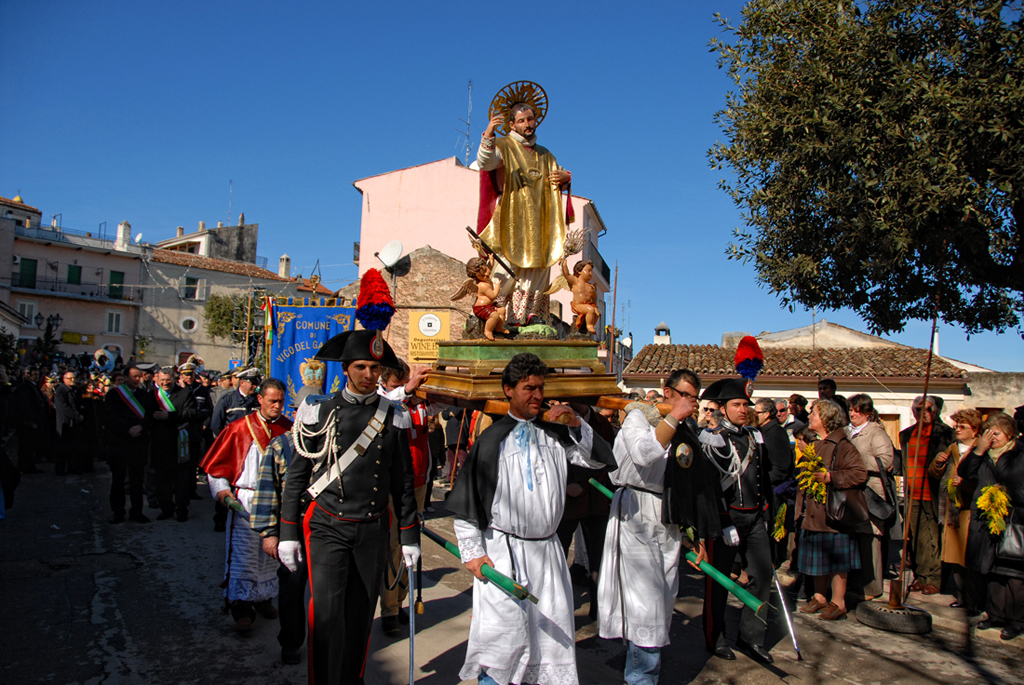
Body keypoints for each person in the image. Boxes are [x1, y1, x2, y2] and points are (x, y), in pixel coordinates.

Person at [446, 353, 615, 685]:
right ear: (509, 390)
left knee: (548, 644)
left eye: (540, 388)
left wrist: (576, 425)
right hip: (503, 555)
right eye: (528, 388)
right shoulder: (492, 439)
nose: (537, 395)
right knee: (501, 646)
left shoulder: (557, 433)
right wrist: (474, 553)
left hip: (549, 555)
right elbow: (468, 504)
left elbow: (602, 461)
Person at [278, 329, 420, 685]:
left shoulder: (394, 415)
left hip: (372, 528)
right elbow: (297, 476)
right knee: (326, 617)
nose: (369, 375)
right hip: (327, 526)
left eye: (375, 368)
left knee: (359, 617)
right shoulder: (318, 411)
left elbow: (402, 482)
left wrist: (409, 536)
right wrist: (287, 533)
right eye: (361, 367)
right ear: (346, 369)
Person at [598, 369, 709, 685]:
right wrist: (674, 417)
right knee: (644, 604)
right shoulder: (636, 419)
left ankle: (644, 670)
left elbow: (692, 483)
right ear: (667, 390)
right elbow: (646, 454)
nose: (689, 402)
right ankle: (641, 677)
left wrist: (697, 535)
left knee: (661, 602)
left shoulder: (687, 430)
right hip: (637, 514)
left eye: (693, 398)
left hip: (668, 518)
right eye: (683, 395)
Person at [200, 378, 292, 633]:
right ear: (260, 399)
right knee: (244, 557)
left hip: (276, 501)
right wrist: (224, 494)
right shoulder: (240, 429)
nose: (277, 406)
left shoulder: (288, 430)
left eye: (281, 401)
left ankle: (264, 599)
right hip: (246, 502)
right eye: (272, 401)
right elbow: (217, 470)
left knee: (270, 557)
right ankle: (242, 609)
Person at [696, 378, 776, 663]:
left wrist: (766, 513)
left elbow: (762, 478)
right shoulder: (712, 437)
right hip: (726, 518)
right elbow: (711, 485)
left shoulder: (754, 436)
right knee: (718, 583)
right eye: (737, 405)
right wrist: (724, 521)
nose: (743, 409)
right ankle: (715, 636)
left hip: (754, 516)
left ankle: (752, 637)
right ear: (723, 408)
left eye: (746, 404)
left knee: (762, 575)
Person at [476, 87, 573, 323]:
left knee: (539, 267)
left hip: (541, 221)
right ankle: (497, 315)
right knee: (507, 267)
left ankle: (531, 316)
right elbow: (485, 162)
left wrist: (565, 178)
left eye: (530, 119)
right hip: (513, 217)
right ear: (512, 125)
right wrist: (488, 134)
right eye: (521, 120)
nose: (527, 124)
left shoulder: (546, 154)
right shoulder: (505, 146)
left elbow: (556, 177)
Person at [795, 399, 869, 621]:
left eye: (814, 414)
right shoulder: (817, 445)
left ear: (826, 418)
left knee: (837, 562)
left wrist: (831, 477)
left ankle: (839, 602)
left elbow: (859, 473)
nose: (809, 417)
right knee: (818, 557)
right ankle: (820, 597)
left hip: (834, 515)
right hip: (814, 515)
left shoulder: (843, 445)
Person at [958, 413, 1024, 640]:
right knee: (990, 569)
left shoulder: (1019, 453)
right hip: (985, 519)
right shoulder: (983, 454)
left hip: (1013, 520)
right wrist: (978, 450)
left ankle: (1016, 620)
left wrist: (1003, 492)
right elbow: (964, 473)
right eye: (988, 433)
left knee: (1013, 573)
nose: (992, 438)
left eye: (996, 433)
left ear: (1009, 433)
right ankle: (995, 613)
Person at [248, 428, 307, 665]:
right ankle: (291, 642)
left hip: (328, 526)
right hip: (293, 524)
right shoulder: (281, 444)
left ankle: (329, 640)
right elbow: (267, 489)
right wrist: (269, 532)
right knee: (291, 586)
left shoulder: (338, 438)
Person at [900, 395, 955, 594]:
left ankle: (935, 578)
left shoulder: (945, 434)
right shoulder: (906, 434)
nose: (924, 413)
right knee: (915, 538)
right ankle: (920, 576)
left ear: (936, 411)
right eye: (919, 409)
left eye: (929, 409)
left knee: (933, 537)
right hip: (912, 493)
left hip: (933, 492)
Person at [930, 409, 983, 614]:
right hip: (952, 509)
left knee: (970, 558)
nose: (957, 430)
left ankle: (975, 600)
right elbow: (935, 474)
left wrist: (966, 483)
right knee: (955, 557)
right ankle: (962, 597)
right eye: (957, 426)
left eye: (963, 427)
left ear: (975, 430)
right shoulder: (953, 447)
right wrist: (938, 463)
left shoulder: (980, 450)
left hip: (971, 509)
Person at [847, 393, 896, 599]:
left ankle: (872, 587)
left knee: (870, 540)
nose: (852, 414)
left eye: (857, 410)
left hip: (870, 493)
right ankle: (855, 584)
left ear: (867, 413)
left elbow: (886, 461)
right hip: (851, 493)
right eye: (850, 410)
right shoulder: (847, 432)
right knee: (854, 540)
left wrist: (856, 459)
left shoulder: (877, 433)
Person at [103, 365, 153, 524]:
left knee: (137, 480)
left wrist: (141, 427)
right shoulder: (114, 395)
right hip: (120, 442)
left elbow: (149, 415)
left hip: (138, 443)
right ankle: (118, 511)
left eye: (140, 376)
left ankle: (136, 511)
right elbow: (110, 417)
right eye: (135, 376)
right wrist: (128, 428)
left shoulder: (144, 395)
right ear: (125, 378)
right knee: (118, 480)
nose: (138, 379)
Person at [150, 368, 197, 522]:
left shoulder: (185, 394)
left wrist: (169, 416)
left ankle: (181, 509)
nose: (164, 383)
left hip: (179, 443)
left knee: (181, 480)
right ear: (157, 379)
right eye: (161, 380)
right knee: (162, 479)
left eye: (167, 380)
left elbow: (190, 413)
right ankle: (166, 508)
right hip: (160, 443)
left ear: (174, 378)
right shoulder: (153, 396)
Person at [755, 397, 795, 566]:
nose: (755, 415)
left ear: (768, 413)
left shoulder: (776, 432)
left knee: (771, 528)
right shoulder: (761, 431)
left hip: (773, 490)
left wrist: (764, 480)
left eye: (758, 412)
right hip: (764, 488)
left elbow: (781, 466)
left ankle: (772, 562)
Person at [211, 368, 260, 437]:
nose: (255, 386)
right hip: (233, 442)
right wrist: (225, 440)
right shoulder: (227, 400)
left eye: (256, 383)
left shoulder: (259, 400)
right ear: (242, 382)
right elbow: (216, 425)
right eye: (252, 383)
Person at [54, 370, 85, 475]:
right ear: (64, 379)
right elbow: (63, 407)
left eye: (74, 378)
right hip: (65, 422)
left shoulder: (75, 390)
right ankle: (60, 468)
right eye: (70, 378)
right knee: (62, 447)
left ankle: (73, 467)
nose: (72, 380)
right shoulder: (61, 391)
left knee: (74, 447)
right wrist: (76, 416)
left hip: (74, 423)